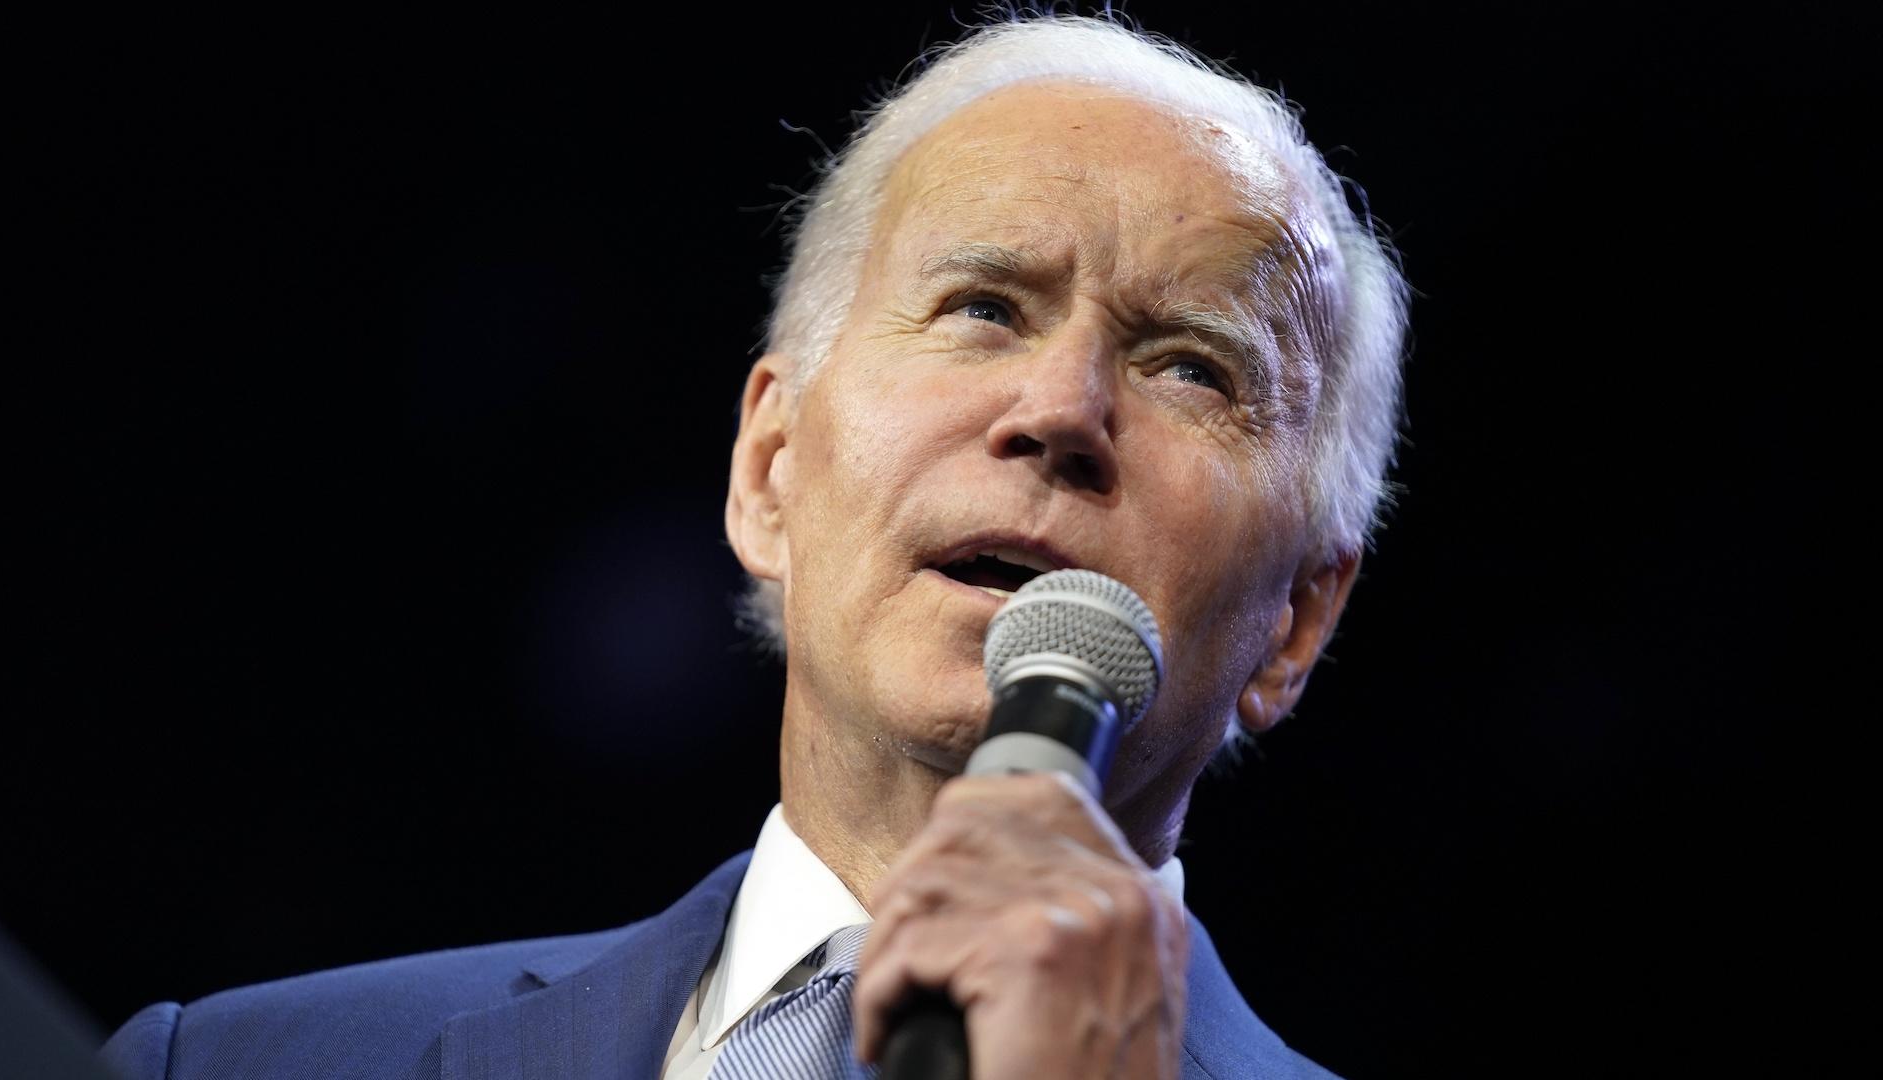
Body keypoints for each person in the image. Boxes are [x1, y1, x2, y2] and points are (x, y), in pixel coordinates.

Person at [100, 14, 1406, 1080]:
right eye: (984, 306)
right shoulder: (229, 1065)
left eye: (1190, 365)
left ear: (1295, 621)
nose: (1061, 412)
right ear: (771, 473)